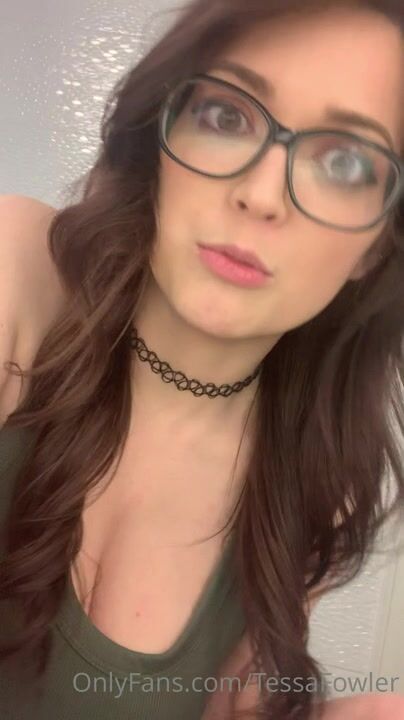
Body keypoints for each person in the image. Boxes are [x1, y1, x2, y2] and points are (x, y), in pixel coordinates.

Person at [0, 0, 404, 718]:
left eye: (344, 162)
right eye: (226, 115)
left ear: (374, 247)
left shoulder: (314, 481)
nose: (260, 195)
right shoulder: (17, 272)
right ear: (159, 136)